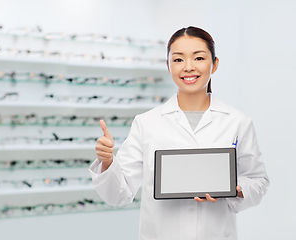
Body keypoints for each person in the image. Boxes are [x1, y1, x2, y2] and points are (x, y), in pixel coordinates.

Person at [89, 26, 270, 240]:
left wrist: (235, 188)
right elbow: (118, 194)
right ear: (168, 66)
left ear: (214, 64)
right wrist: (107, 161)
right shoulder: (146, 123)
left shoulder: (238, 122)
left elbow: (258, 180)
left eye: (199, 58)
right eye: (178, 60)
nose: (188, 67)